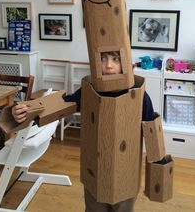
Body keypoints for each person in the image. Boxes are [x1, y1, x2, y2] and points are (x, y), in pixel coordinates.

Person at [12, 51, 155, 212]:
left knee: (123, 208)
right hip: (95, 170)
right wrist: (27, 110)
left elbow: (152, 132)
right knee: (94, 207)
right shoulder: (90, 90)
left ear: (130, 65)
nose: (108, 65)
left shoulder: (141, 96)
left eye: (116, 59)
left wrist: (158, 171)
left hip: (126, 173)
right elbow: (64, 103)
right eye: (102, 59)